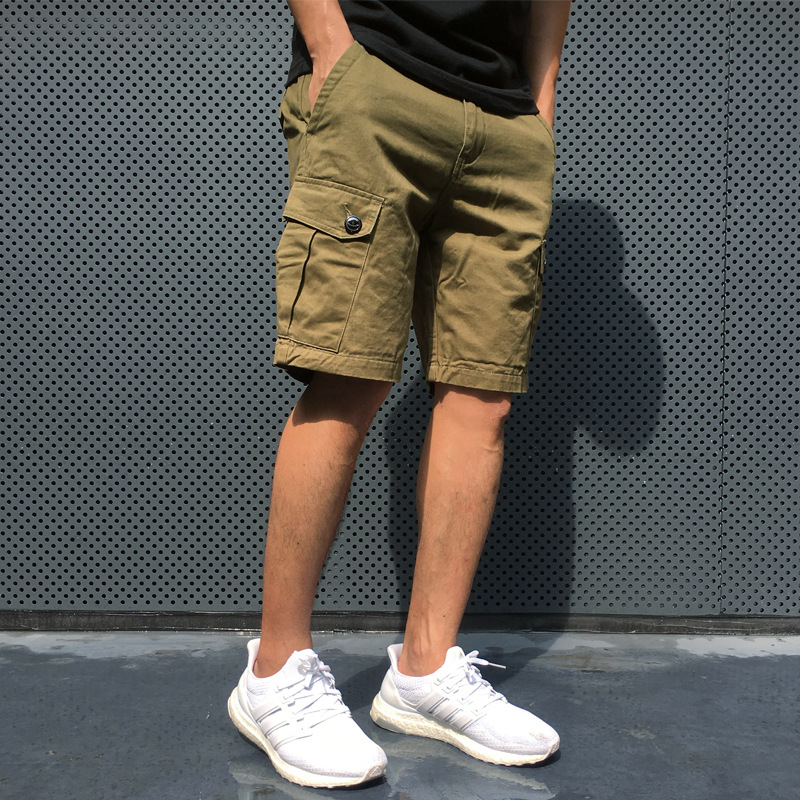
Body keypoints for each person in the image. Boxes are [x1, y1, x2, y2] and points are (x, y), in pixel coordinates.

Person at [228, 0, 572, 788]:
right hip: (377, 78)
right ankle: (274, 673)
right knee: (348, 372)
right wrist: (328, 44)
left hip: (505, 121)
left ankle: (424, 671)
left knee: (484, 398)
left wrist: (539, 107)